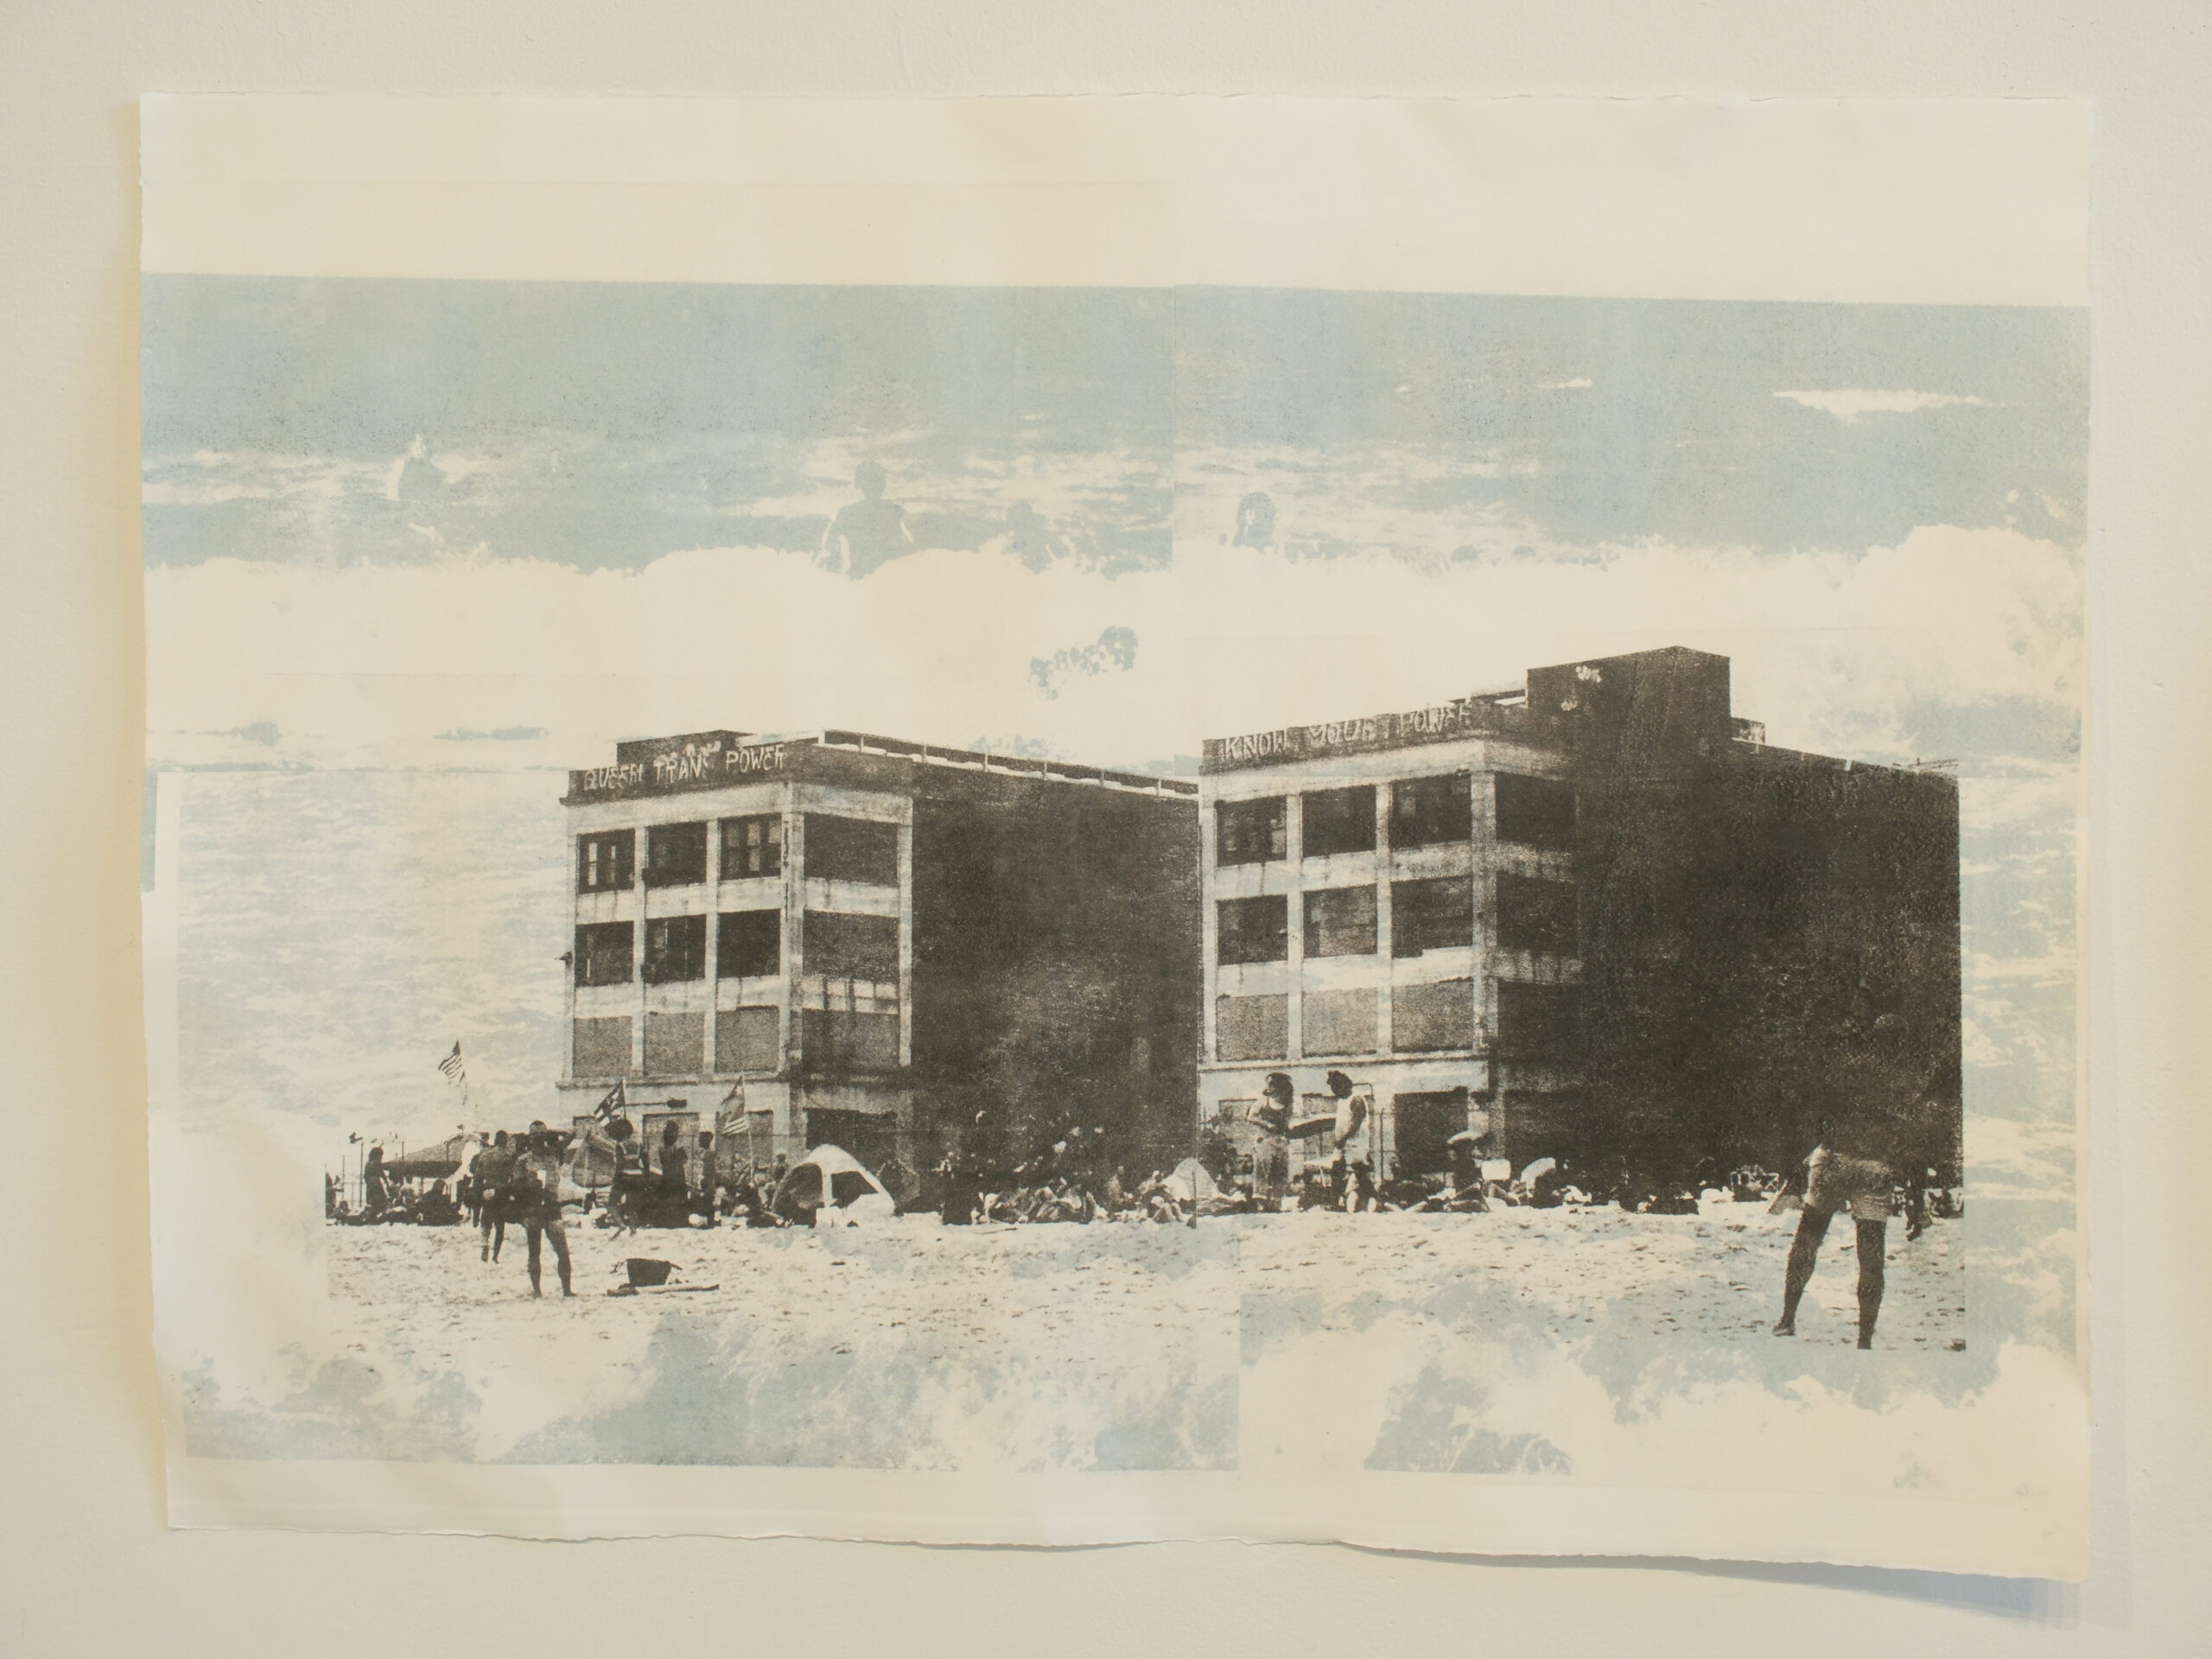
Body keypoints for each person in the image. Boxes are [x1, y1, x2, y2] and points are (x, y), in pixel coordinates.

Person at [508, 1128, 574, 1298]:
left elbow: (570, 1135)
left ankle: (559, 1290)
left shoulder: (549, 1157)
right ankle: (542, 1290)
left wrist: (549, 1132)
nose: (539, 1143)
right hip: (538, 1207)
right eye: (537, 1139)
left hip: (545, 1207)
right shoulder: (531, 1160)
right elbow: (515, 1186)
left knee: (555, 1250)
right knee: (540, 1250)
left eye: (541, 1139)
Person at [1325, 1071, 1376, 1213]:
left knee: (1360, 1174)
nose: (1334, 1092)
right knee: (1336, 1171)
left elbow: (1355, 1123)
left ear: (1344, 1085)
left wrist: (1343, 1138)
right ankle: (1335, 1204)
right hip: (1343, 1144)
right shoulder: (1341, 1101)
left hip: (1357, 1144)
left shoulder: (1356, 1099)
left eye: (1336, 1088)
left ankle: (1375, 1197)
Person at [1252, 1072, 1294, 1213]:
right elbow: (1251, 1117)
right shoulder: (1263, 1100)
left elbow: (1289, 1120)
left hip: (1281, 1141)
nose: (1268, 1087)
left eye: (1271, 1084)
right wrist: (1266, 1124)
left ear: (1280, 1086)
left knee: (1281, 1172)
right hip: (1265, 1140)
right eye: (1268, 1083)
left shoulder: (1288, 1102)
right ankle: (1260, 1204)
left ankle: (1277, 1203)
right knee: (1262, 1171)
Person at [474, 1130, 516, 1262]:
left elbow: (477, 1177)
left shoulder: (485, 1156)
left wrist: (479, 1193)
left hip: (487, 1190)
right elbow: (512, 1178)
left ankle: (484, 1244)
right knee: (500, 1226)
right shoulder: (507, 1158)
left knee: (486, 1221)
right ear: (505, 1141)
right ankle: (495, 1256)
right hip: (501, 1192)